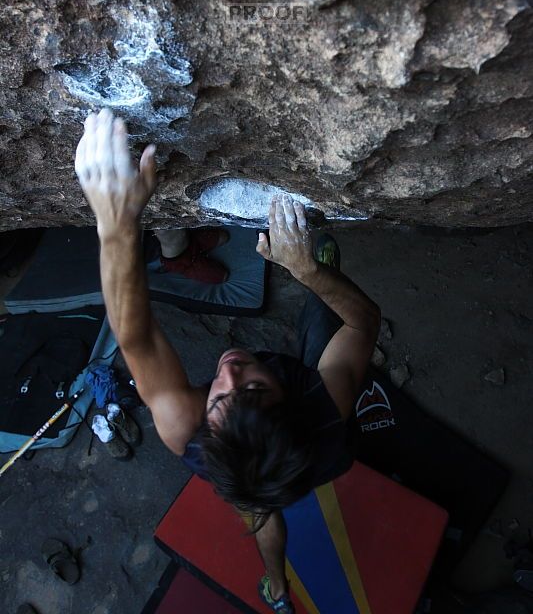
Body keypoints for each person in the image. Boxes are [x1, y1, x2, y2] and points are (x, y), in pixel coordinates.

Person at [75, 108, 381, 614]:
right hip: (317, 443)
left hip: (266, 452)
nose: (230, 368)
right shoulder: (323, 406)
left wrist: (117, 224)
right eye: (253, 388)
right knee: (328, 322)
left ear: (207, 425)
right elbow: (365, 322)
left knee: (260, 511)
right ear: (291, 396)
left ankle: (276, 588)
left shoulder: (185, 427)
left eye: (221, 397)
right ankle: (278, 586)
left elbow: (136, 338)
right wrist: (306, 272)